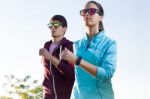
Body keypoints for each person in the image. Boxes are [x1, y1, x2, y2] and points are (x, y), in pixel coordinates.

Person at [61, 1, 117, 99]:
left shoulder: (110, 43)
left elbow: (107, 74)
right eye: (84, 12)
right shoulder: (76, 45)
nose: (87, 14)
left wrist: (77, 61)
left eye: (92, 11)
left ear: (101, 17)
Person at [39, 15, 74, 99]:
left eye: (56, 25)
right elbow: (47, 72)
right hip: (47, 95)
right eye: (50, 25)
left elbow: (72, 74)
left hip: (65, 96)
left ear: (64, 28)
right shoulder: (46, 46)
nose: (53, 28)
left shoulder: (70, 46)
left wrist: (50, 57)